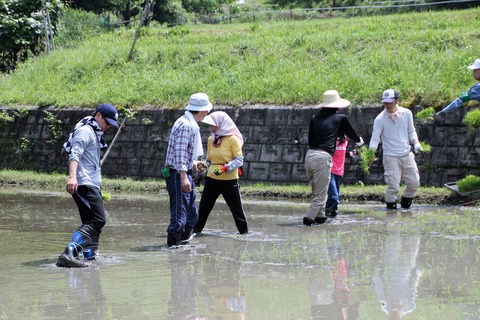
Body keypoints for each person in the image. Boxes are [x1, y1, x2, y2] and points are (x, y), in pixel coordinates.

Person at [56, 103, 120, 268]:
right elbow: (74, 153)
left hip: (92, 183)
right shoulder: (85, 130)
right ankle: (69, 253)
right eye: (107, 123)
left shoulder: (94, 133)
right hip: (83, 183)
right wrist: (72, 177)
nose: (107, 127)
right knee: (98, 220)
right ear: (98, 115)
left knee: (92, 222)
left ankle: (90, 256)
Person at [304, 90, 364, 226]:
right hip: (323, 157)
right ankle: (308, 218)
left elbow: (310, 139)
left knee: (317, 190)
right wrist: (359, 141)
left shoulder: (315, 118)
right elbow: (350, 132)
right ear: (337, 105)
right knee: (321, 194)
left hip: (310, 155)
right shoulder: (340, 118)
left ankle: (320, 216)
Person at [163, 92, 212, 247]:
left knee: (191, 217)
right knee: (179, 219)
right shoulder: (185, 125)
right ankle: (173, 251)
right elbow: (179, 152)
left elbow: (183, 153)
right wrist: (183, 176)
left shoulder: (188, 123)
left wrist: (192, 163)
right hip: (178, 175)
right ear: (202, 111)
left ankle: (183, 246)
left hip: (184, 172)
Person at [193, 111, 248, 235]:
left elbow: (239, 160)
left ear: (221, 124)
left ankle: (244, 233)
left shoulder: (232, 139)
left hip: (229, 181)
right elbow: (209, 160)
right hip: (212, 179)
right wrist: (200, 173)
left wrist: (225, 168)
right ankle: (195, 232)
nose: (210, 127)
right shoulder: (211, 139)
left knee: (237, 211)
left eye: (213, 124)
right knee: (204, 209)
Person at [368, 89, 422, 210]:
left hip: (407, 154)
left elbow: (411, 131)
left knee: (414, 183)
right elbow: (375, 138)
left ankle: (405, 206)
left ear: (397, 100)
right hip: (390, 156)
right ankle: (391, 215)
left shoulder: (407, 113)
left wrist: (416, 143)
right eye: (385, 103)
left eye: (390, 102)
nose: (387, 105)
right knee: (393, 187)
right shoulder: (380, 119)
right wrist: (370, 153)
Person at [325, 135, 358, 218]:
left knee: (333, 195)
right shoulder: (332, 141)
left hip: (339, 172)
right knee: (334, 196)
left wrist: (351, 153)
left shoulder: (345, 142)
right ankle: (326, 211)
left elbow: (344, 153)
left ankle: (330, 214)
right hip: (331, 170)